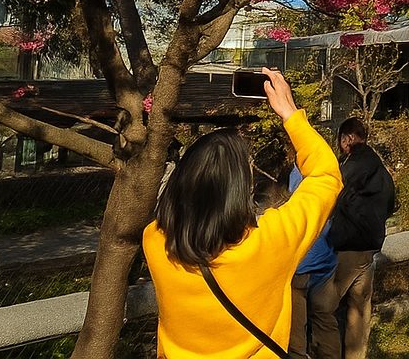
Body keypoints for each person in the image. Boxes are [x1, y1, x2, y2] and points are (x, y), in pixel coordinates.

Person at [145, 69, 343, 359]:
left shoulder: (155, 242)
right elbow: (326, 176)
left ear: (180, 184)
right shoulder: (273, 243)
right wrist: (289, 113)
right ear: (242, 190)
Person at [310, 118, 397, 359]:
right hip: (369, 248)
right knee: (359, 311)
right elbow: (391, 205)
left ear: (347, 138)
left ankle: (324, 354)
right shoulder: (380, 169)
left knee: (322, 305)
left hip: (346, 246)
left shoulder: (349, 166)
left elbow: (330, 193)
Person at [288, 165, 338, 359]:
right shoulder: (326, 175)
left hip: (302, 264)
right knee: (325, 320)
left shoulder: (299, 176)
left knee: (296, 326)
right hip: (326, 259)